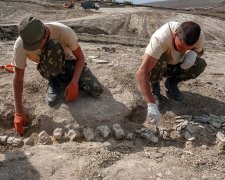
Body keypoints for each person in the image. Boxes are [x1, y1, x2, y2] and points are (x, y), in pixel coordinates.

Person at [13, 17, 103, 135]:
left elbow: (81, 58)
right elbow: (18, 79)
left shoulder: (64, 32)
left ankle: (67, 80)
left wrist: (74, 82)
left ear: (45, 35)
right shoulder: (21, 44)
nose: (32, 48)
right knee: (51, 49)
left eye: (35, 45)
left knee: (96, 90)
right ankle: (54, 81)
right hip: (48, 67)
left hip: (70, 63)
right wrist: (18, 113)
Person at [136, 21, 207, 126]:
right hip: (161, 64)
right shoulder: (160, 39)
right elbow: (142, 72)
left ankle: (172, 83)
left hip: (177, 64)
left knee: (200, 64)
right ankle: (155, 89)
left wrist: (193, 53)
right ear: (175, 35)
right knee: (157, 58)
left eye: (188, 48)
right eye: (181, 46)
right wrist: (151, 104)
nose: (184, 50)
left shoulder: (199, 36)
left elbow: (200, 51)